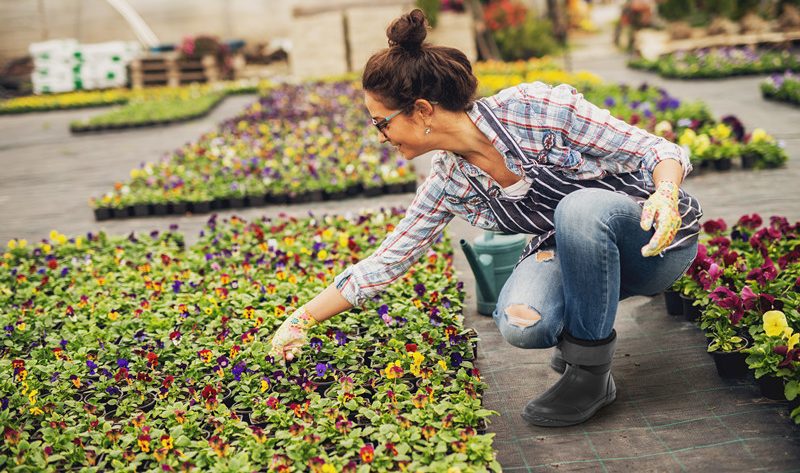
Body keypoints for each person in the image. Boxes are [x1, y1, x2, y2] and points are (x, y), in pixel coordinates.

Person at [268, 9, 701, 427]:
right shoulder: (449, 183)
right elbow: (387, 261)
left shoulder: (534, 109)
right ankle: (585, 336)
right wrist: (301, 319)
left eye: (381, 123)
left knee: (580, 208)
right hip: (571, 252)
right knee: (521, 321)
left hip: (650, 242)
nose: (380, 136)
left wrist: (665, 193)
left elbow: (654, 150)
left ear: (421, 111)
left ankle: (588, 375)